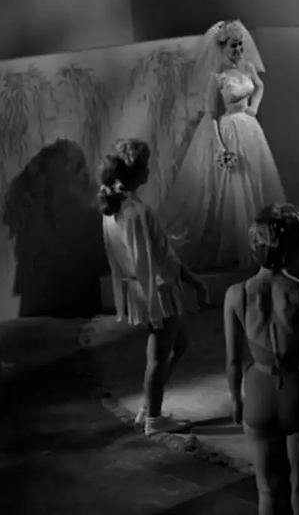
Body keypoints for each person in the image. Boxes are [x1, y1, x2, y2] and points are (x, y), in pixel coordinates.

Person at [224, 204, 299, 515]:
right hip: (297, 390)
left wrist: (236, 400)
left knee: (266, 489)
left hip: (259, 391)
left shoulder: (237, 294)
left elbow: (233, 361)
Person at [98, 139, 210, 437]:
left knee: (179, 345)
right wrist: (192, 281)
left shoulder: (116, 209)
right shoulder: (136, 212)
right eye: (146, 165)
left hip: (146, 287)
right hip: (156, 290)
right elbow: (158, 258)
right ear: (137, 172)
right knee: (159, 356)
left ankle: (150, 404)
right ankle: (153, 418)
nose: (150, 170)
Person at [162, 20, 287, 270]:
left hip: (250, 128)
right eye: (233, 45)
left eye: (240, 44)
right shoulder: (217, 76)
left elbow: (259, 85)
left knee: (256, 179)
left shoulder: (247, 67)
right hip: (229, 129)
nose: (238, 49)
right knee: (235, 187)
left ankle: (263, 246)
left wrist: (254, 107)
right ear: (222, 48)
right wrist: (220, 147)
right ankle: (238, 246)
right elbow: (210, 114)